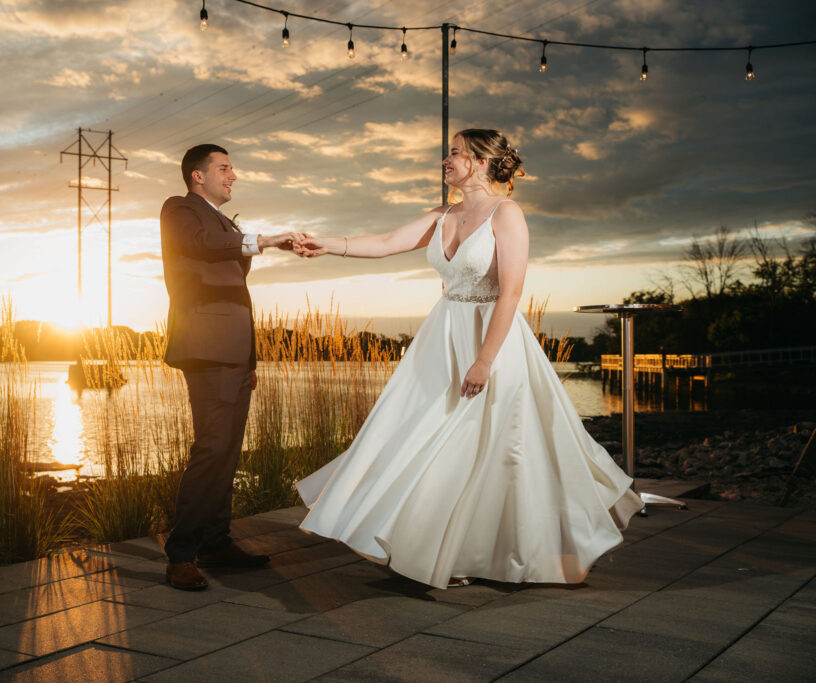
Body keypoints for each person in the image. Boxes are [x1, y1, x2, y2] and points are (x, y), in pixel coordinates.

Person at [292, 128, 642, 589]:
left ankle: (493, 554)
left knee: (492, 447)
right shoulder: (445, 214)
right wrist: (327, 244)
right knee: (427, 437)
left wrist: (484, 361)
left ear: (479, 162)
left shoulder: (507, 213)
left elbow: (511, 292)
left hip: (491, 340)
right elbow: (383, 242)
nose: (445, 159)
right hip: (443, 338)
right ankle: (433, 550)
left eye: (454, 153)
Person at [159, 143, 303, 591]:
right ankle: (180, 553)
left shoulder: (223, 221)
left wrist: (250, 359)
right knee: (211, 447)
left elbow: (238, 298)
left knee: (227, 451)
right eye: (224, 168)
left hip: (234, 353)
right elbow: (201, 246)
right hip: (205, 346)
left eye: (232, 168)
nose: (232, 175)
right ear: (197, 176)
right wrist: (264, 240)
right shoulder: (180, 209)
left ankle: (216, 542)